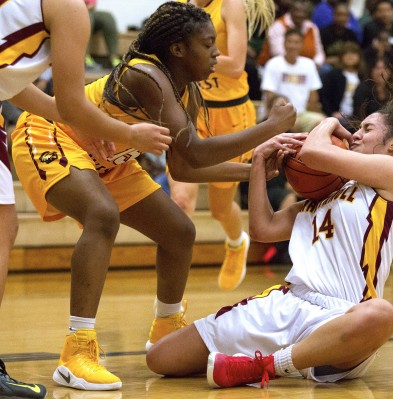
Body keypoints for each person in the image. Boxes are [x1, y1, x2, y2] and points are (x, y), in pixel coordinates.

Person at [11, 2, 296, 391]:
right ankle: (76, 351)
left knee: (179, 231)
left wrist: (257, 170)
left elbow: (183, 169)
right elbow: (195, 152)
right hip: (51, 133)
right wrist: (269, 128)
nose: (217, 53)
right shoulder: (145, 74)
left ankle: (166, 331)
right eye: (208, 44)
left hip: (109, 159)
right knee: (102, 214)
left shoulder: (186, 89)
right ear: (178, 49)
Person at [145, 76, 393, 389]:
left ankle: (265, 366)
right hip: (286, 301)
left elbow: (312, 153)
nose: (354, 135)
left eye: (367, 129)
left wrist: (327, 122)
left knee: (382, 314)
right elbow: (263, 229)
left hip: (343, 314)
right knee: (161, 358)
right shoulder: (326, 191)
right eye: (357, 127)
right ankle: (273, 362)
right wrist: (258, 164)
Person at [0, 1, 172, 397]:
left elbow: (13, 83)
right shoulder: (69, 7)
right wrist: (128, 135)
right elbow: (74, 101)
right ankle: (77, 348)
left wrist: (70, 119)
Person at [167, 0, 275, 292]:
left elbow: (237, 65)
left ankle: (236, 242)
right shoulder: (178, 7)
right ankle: (172, 296)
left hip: (230, 115)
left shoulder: (231, 6)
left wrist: (188, 56)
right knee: (181, 201)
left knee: (219, 209)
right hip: (190, 109)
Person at [261, 28, 326, 133]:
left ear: (302, 45)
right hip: (279, 114)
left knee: (323, 122)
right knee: (293, 125)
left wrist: (314, 113)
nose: (292, 46)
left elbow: (313, 96)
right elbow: (269, 95)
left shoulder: (309, 64)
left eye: (296, 42)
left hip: (302, 113)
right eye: (289, 41)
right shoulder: (273, 63)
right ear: (284, 43)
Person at [84, 0, 121, 70]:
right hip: (74, 12)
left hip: (88, 10)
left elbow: (92, 4)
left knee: (108, 17)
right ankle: (85, 58)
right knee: (88, 16)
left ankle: (113, 58)